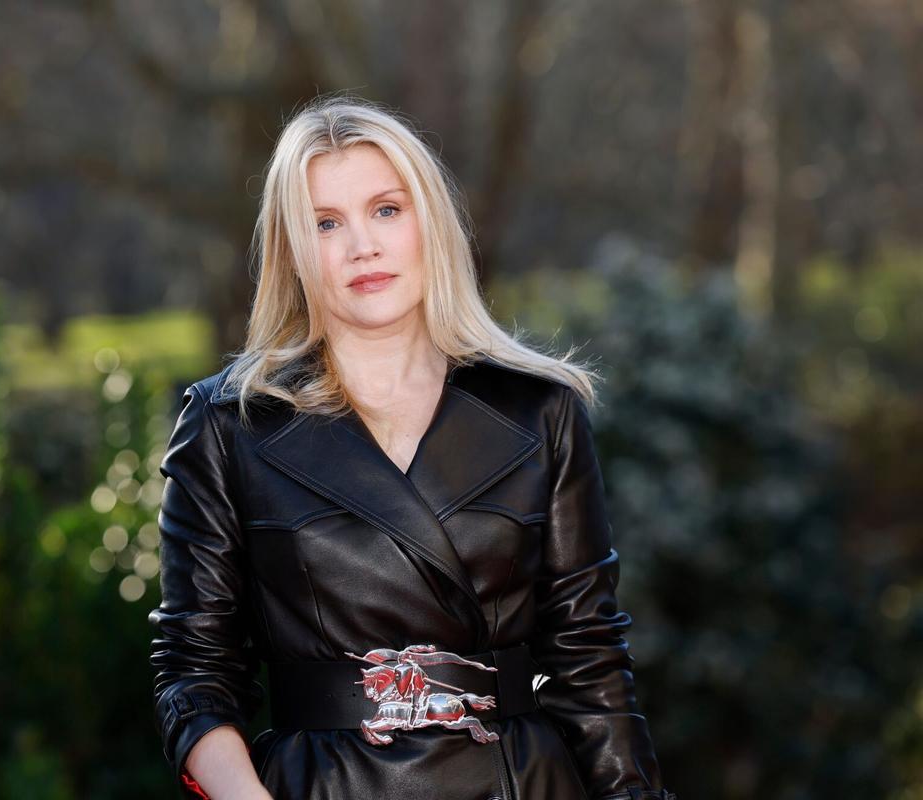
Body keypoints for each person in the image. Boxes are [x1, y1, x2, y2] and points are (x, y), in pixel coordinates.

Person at [148, 94, 677, 800]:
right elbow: (195, 670)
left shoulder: (540, 411)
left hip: (520, 782)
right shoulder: (229, 424)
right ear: (294, 251)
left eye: (386, 210)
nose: (362, 245)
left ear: (429, 222)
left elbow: (588, 655)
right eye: (325, 223)